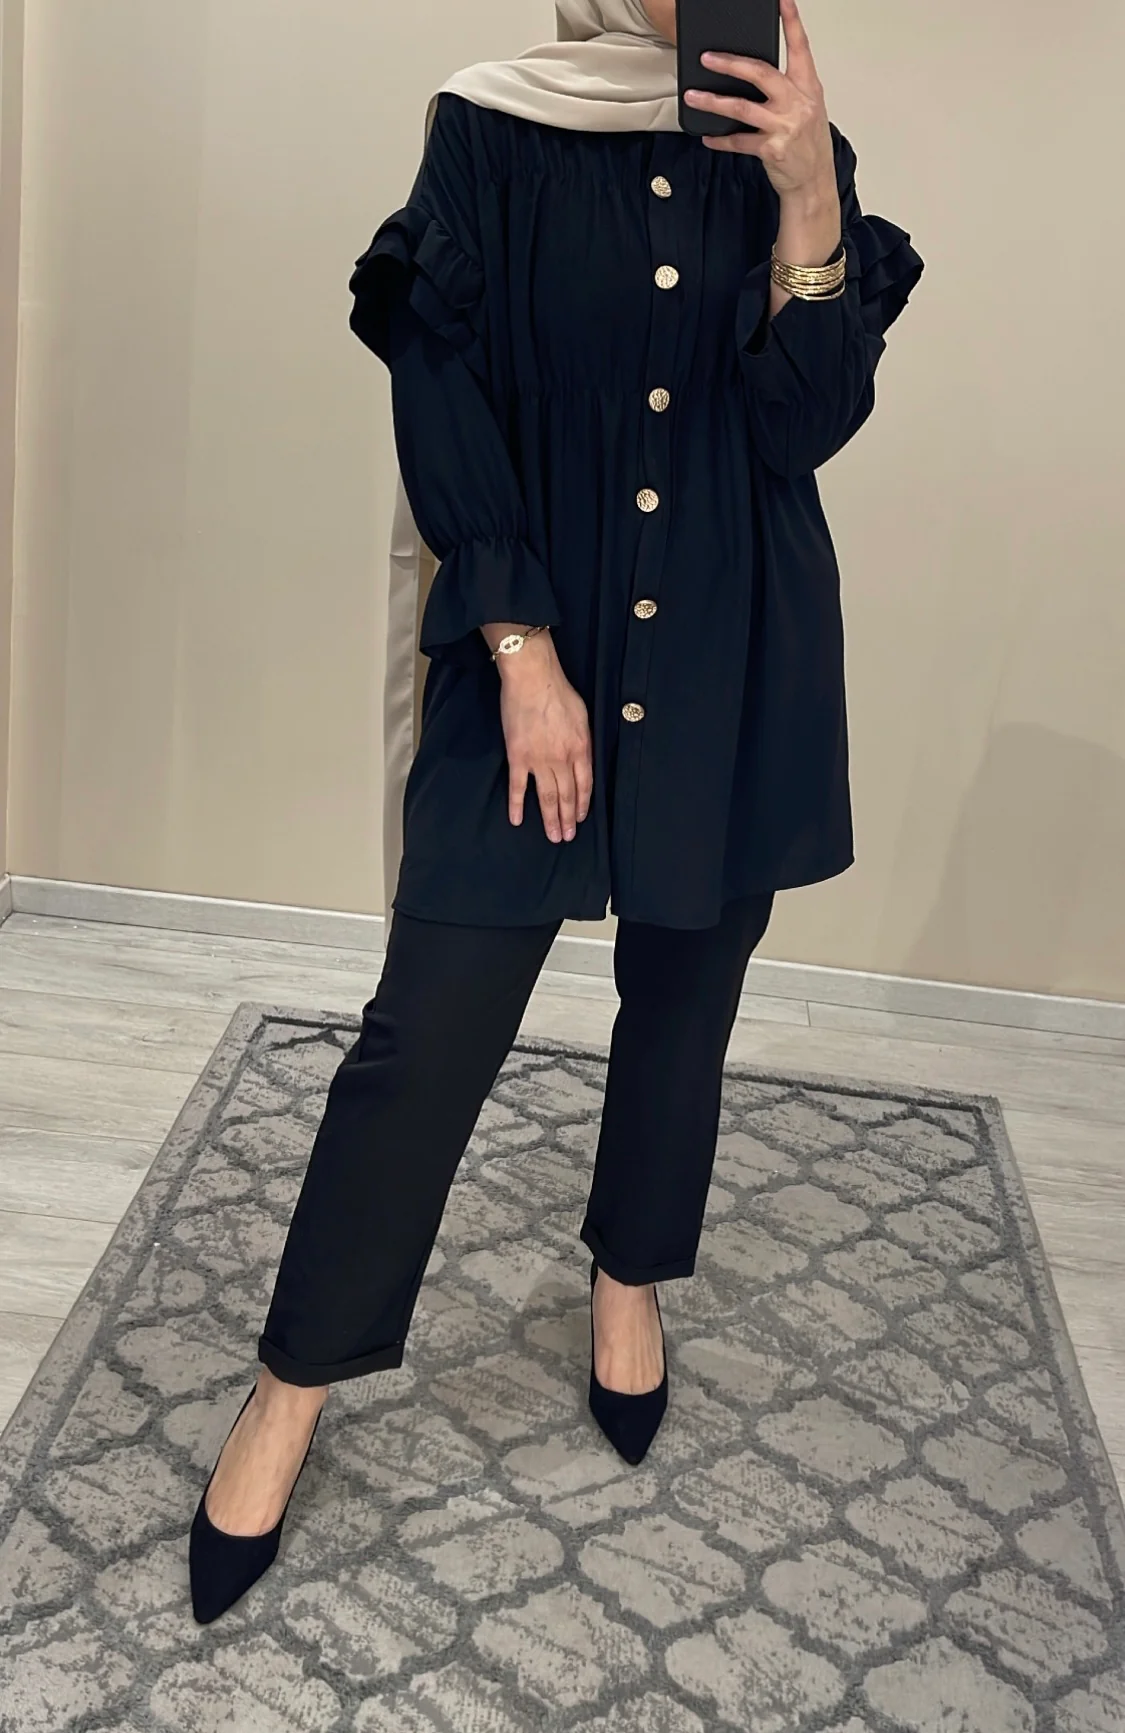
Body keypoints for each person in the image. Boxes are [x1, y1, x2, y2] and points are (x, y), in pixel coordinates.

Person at [188, 0, 923, 1625]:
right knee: (429, 1029)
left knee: (684, 1003)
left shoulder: (787, 142)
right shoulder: (490, 125)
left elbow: (804, 426)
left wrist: (810, 193)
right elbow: (441, 381)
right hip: (534, 632)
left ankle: (628, 1277)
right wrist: (519, 648)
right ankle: (292, 1384)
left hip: (730, 644)